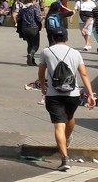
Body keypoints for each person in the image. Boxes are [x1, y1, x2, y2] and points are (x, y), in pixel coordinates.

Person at [34, 26, 96, 172]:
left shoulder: (46, 52)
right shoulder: (75, 53)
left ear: (53, 38)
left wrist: (42, 87)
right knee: (69, 118)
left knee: (59, 126)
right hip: (73, 95)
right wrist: (91, 94)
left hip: (53, 95)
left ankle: (64, 159)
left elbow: (41, 73)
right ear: (67, 38)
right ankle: (66, 140)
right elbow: (84, 74)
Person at [16, 0, 43, 66]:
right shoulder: (35, 7)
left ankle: (31, 61)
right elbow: (38, 18)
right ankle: (31, 54)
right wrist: (42, 18)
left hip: (24, 28)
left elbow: (19, 18)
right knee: (35, 45)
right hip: (34, 28)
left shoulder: (22, 8)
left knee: (29, 44)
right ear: (33, 0)